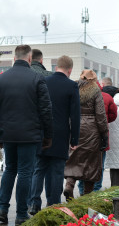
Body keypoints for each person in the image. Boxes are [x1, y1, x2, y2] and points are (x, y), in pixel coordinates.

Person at [0, 45, 53, 226]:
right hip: (30, 134)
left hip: (8, 133)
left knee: (9, 169)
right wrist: (48, 135)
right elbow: (46, 109)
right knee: (25, 172)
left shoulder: (1, 80)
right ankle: (21, 214)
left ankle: (2, 208)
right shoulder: (37, 78)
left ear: (14, 58)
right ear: (29, 58)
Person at [28, 55, 80, 215]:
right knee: (57, 171)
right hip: (60, 134)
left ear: (57, 66)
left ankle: (34, 203)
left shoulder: (44, 81)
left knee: (39, 169)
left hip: (42, 133)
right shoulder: (72, 86)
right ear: (70, 70)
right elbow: (75, 115)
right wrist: (74, 139)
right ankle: (53, 204)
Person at [63, 70, 108, 198]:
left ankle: (69, 185)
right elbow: (100, 114)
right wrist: (104, 133)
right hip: (91, 129)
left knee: (73, 158)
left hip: (74, 125)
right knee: (91, 162)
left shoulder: (73, 87)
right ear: (93, 79)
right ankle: (86, 195)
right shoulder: (95, 90)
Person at [79, 80, 117, 194]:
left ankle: (81, 189)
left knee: (82, 163)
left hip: (81, 135)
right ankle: (95, 189)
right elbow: (113, 114)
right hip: (98, 137)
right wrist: (104, 132)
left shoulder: (77, 94)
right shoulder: (105, 96)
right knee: (98, 165)